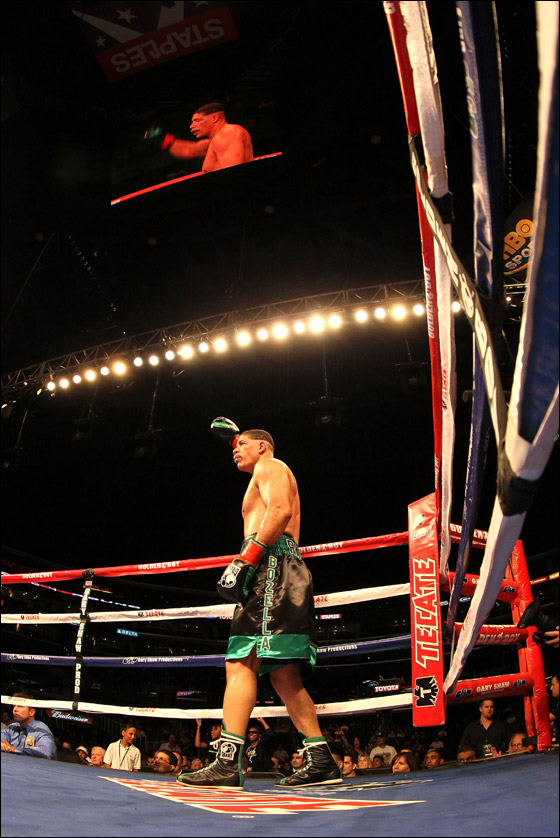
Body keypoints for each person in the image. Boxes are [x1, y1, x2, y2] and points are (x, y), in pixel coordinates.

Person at [177, 426, 341, 789]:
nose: (235, 451)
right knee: (283, 675)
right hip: (277, 568)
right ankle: (321, 761)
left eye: (242, 445)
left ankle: (225, 764)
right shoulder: (265, 472)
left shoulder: (270, 465)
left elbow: (280, 512)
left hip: (270, 566)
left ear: (263, 446)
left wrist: (245, 560)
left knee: (240, 662)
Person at [144, 102, 253, 174]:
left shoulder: (227, 134)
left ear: (214, 118)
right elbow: (190, 150)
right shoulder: (217, 140)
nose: (192, 126)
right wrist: (162, 139)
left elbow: (233, 174)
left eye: (197, 120)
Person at [1, 693, 57, 760]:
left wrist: (14, 749)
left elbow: (46, 752)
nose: (15, 709)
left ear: (31, 712)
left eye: (20, 706)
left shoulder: (41, 729)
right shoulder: (11, 728)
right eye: (14, 706)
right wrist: (2, 742)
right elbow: (3, 736)